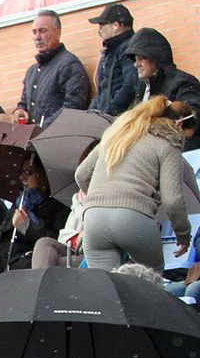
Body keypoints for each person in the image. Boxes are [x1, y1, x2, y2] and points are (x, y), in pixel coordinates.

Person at [75, 97, 196, 271]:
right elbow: (173, 200)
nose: (183, 142)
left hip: (94, 220)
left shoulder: (119, 132)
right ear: (178, 125)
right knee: (150, 285)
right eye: (186, 138)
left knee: (106, 288)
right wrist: (183, 235)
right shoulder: (170, 141)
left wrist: (101, 199)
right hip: (133, 219)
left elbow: (81, 175)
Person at [123, 27, 200, 149]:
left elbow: (192, 120)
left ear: (156, 59)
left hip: (181, 152)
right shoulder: (142, 87)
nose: (136, 64)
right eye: (135, 59)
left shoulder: (183, 82)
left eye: (141, 58)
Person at [13, 10, 91, 128]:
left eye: (42, 31)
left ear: (57, 33)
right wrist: (19, 111)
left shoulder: (69, 64)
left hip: (58, 139)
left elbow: (73, 108)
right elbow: (24, 103)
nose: (37, 37)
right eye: (34, 32)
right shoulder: (31, 71)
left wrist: (42, 129)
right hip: (32, 141)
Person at [87, 3, 139, 118]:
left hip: (119, 120)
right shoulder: (111, 50)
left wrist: (109, 113)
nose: (99, 31)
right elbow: (102, 90)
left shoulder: (128, 47)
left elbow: (131, 85)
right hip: (109, 119)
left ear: (115, 26)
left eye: (102, 26)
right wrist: (90, 115)